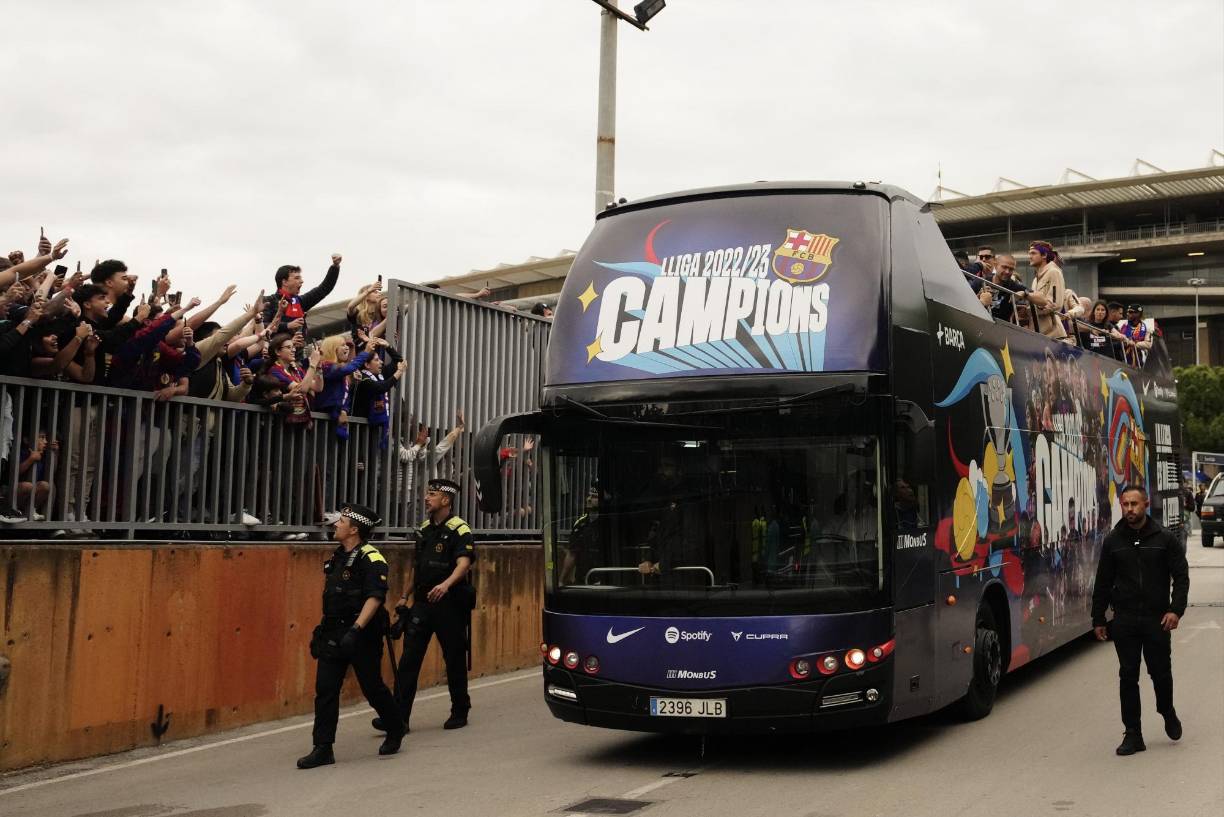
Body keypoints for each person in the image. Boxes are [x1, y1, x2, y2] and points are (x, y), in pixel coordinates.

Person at [297, 503, 404, 769]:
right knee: (326, 690)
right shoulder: (337, 557)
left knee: (372, 687)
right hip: (333, 631)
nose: (336, 524)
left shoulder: (372, 557)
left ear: (354, 529)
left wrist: (356, 629)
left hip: (362, 633)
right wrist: (322, 630)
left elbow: (375, 597)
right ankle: (323, 747)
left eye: (342, 521)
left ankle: (395, 727)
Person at [1091, 484, 1189, 756]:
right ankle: (1133, 734)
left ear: (1146, 504)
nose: (1130, 509)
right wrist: (1098, 618)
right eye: (1125, 504)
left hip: (1157, 620)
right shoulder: (1113, 541)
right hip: (1125, 621)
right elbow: (1102, 582)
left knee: (1160, 673)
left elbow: (1181, 577)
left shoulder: (1164, 538)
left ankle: (1167, 711)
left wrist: (1175, 610)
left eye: (1135, 504)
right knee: (1127, 676)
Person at [379, 478, 475, 735]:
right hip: (422, 604)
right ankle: (399, 716)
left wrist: (446, 585)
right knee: (409, 659)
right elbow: (417, 568)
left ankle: (460, 709)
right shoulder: (424, 529)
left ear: (446, 500)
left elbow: (463, 564)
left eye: (432, 494)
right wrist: (404, 596)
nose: (426, 498)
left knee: (453, 657)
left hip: (449, 605)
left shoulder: (459, 529)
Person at [261, 254, 342, 341]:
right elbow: (261, 326)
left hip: (299, 352)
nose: (302, 281)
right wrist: (287, 325)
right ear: (284, 282)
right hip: (274, 353)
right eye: (297, 278)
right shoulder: (268, 301)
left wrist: (335, 266)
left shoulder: (300, 301)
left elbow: (324, 289)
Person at [1022, 241, 1068, 341]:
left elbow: (1056, 304)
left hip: (1054, 336)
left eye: (1033, 253)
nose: (1030, 256)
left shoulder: (1054, 272)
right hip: (1039, 335)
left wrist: (1031, 309)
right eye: (1029, 253)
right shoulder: (1035, 279)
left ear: (1044, 255)